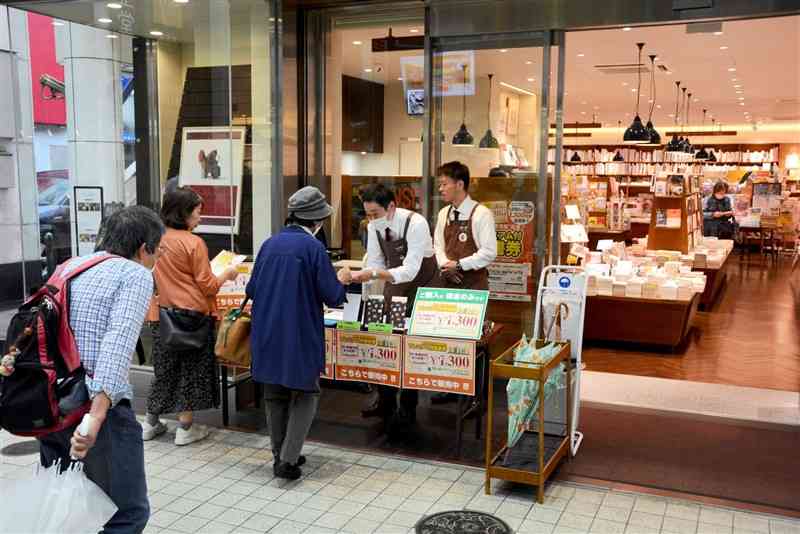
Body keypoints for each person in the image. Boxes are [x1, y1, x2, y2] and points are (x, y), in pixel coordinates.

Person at [38, 205, 165, 534]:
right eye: (157, 251)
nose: (157, 259)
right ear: (143, 249)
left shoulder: (69, 266)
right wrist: (95, 418)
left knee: (68, 507)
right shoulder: (135, 274)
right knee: (128, 513)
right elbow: (117, 345)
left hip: (50, 403)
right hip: (95, 411)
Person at [246, 186, 349, 480]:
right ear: (317, 220)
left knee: (274, 395)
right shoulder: (313, 248)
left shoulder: (269, 244)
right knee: (306, 392)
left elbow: (251, 289)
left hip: (266, 330)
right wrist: (341, 278)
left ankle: (280, 454)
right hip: (299, 332)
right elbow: (332, 295)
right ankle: (287, 461)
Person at [141, 187, 238, 445]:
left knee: (164, 370)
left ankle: (150, 424)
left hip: (160, 314)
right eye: (197, 212)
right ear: (183, 213)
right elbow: (207, 285)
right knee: (191, 372)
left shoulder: (154, 239)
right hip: (192, 316)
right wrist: (227, 273)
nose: (200, 217)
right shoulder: (193, 242)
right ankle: (185, 429)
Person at [345, 183, 440, 432]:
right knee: (385, 341)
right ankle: (385, 401)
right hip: (393, 286)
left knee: (412, 346)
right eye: (367, 214)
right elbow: (376, 260)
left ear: (391, 207)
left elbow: (410, 269)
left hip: (422, 286)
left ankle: (408, 407)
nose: (371, 220)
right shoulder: (376, 227)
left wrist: (373, 273)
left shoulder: (416, 223)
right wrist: (364, 275)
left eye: (375, 214)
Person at [432, 161, 497, 404]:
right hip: (448, 283)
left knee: (475, 342)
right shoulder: (443, 214)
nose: (441, 189)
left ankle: (476, 397)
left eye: (444, 184)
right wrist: (445, 265)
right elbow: (437, 245)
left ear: (460, 184)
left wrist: (460, 265)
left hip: (473, 286)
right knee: (450, 338)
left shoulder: (481, 214)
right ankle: (451, 388)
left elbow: (489, 252)